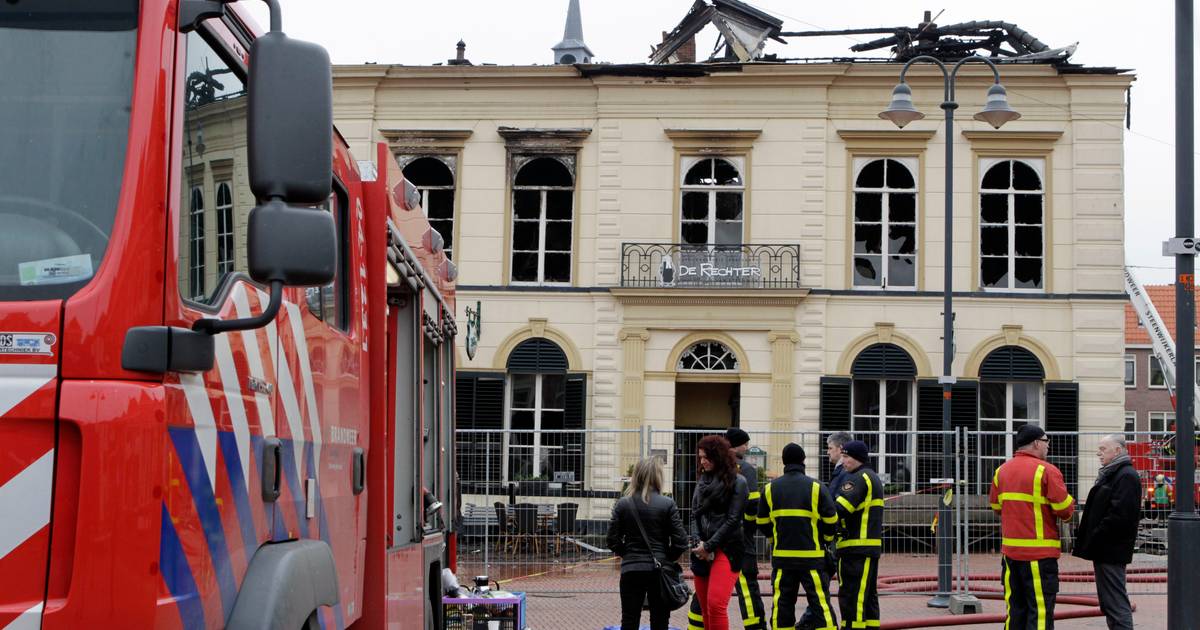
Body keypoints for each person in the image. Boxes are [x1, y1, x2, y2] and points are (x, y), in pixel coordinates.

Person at [989, 425, 1075, 630]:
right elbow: (1065, 510)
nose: (1048, 447)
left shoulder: (1001, 471)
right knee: (1040, 612)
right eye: (1046, 442)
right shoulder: (1047, 471)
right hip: (1040, 556)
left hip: (1010, 556)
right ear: (1037, 443)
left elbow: (996, 506)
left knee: (1015, 610)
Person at [687, 428, 768, 630]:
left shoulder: (738, 482)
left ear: (718, 457)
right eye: (700, 458)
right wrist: (698, 543)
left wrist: (710, 546)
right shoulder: (702, 481)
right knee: (705, 608)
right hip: (702, 550)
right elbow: (694, 514)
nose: (702, 462)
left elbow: (733, 519)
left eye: (706, 457)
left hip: (728, 549)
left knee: (715, 605)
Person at [757, 443, 838, 630]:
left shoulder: (769, 489)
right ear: (803, 461)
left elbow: (761, 522)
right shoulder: (817, 487)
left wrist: (774, 540)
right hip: (812, 558)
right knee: (820, 603)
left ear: (783, 462)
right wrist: (825, 541)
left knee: (782, 604)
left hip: (783, 558)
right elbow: (831, 520)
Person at [607, 457, 689, 630]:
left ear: (636, 476)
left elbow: (612, 540)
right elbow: (681, 541)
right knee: (660, 620)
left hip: (631, 569)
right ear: (658, 477)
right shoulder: (667, 504)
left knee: (629, 619)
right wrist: (666, 557)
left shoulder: (623, 504)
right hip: (659, 570)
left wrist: (628, 554)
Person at [1073, 435, 1140, 630]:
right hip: (1107, 549)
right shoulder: (1115, 474)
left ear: (1118, 451)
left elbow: (1120, 516)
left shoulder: (1125, 475)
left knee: (1115, 602)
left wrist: (1096, 536)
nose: (1098, 453)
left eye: (1103, 449)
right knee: (1111, 602)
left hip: (1110, 550)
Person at [832, 440, 884, 630]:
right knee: (867, 597)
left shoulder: (857, 478)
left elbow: (838, 510)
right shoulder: (870, 476)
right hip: (866, 548)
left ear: (858, 459)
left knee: (851, 597)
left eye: (846, 457)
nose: (843, 461)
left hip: (855, 549)